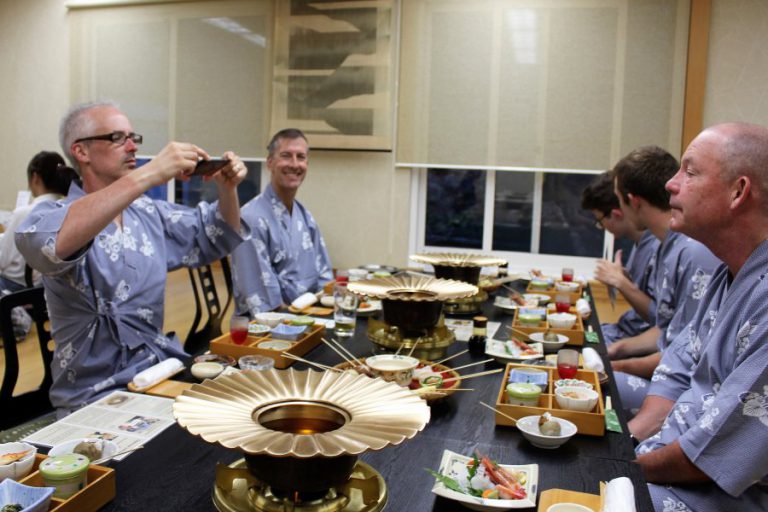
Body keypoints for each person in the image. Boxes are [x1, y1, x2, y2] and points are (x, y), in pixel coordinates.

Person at [15, 100, 249, 416]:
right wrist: (149, 175)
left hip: (159, 373)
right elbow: (50, 246)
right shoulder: (52, 215)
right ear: (81, 152)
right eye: (116, 138)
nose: (130, 147)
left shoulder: (148, 214)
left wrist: (228, 189)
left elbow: (216, 235)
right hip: (94, 394)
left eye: (132, 137)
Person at [629, 122, 768, 511]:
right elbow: (678, 367)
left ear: (738, 192)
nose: (671, 184)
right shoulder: (729, 271)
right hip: (668, 457)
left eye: (689, 172)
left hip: (717, 495)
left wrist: (622, 465)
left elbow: (711, 457)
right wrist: (631, 436)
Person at [610, 146, 721, 415]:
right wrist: (618, 349)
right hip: (664, 374)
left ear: (633, 201)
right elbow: (668, 331)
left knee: (593, 386)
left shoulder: (693, 251)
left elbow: (688, 357)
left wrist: (618, 364)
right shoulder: (666, 245)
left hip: (682, 394)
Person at [231, 128, 333, 315]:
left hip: (310, 316)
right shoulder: (251, 219)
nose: (295, 164)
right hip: (267, 327)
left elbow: (324, 279)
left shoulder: (304, 216)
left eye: (300, 157)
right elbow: (264, 302)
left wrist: (329, 301)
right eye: (286, 156)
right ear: (270, 163)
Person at [580, 170, 658, 345]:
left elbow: (660, 318)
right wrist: (623, 278)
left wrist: (620, 282)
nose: (602, 226)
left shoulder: (657, 246)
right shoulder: (639, 243)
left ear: (616, 213)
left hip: (634, 341)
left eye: (600, 221)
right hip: (623, 329)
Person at [0, 151, 78, 294]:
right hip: (46, 291)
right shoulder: (70, 210)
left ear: (35, 177)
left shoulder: (25, 213)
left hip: (15, 289)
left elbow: (2, 261)